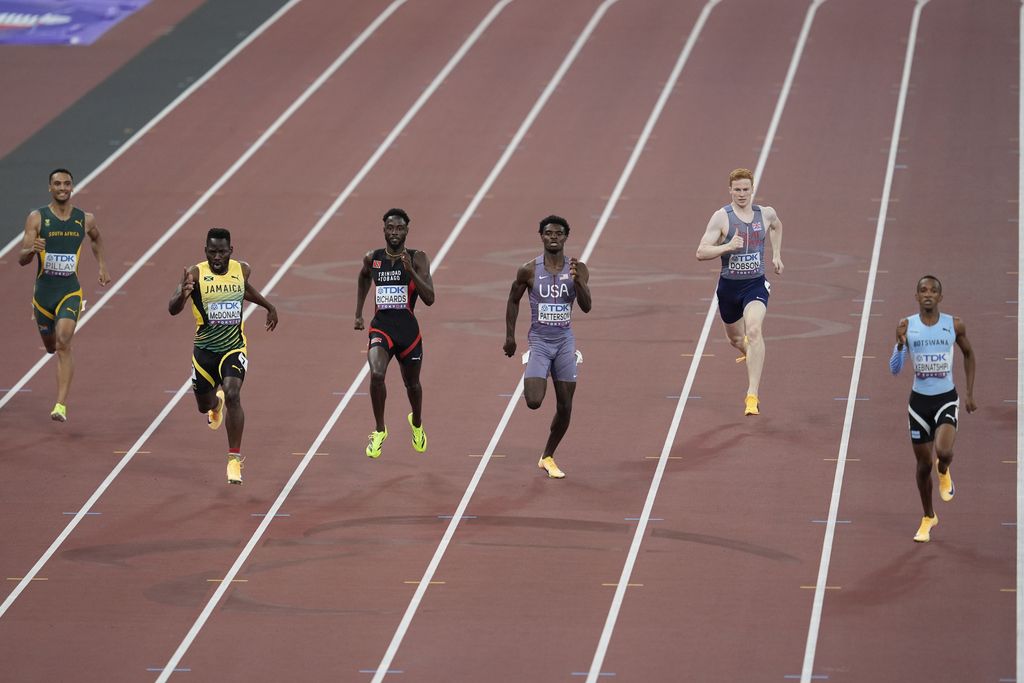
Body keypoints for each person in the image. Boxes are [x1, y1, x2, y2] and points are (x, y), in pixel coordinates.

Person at [168, 228, 278, 485]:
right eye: (212, 251)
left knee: (233, 393)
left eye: (222, 252)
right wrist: (182, 296)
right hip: (204, 352)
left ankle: (233, 460)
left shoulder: (242, 269)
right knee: (203, 405)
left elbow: (244, 290)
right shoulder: (195, 274)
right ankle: (214, 407)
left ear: (231, 251)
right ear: (205, 251)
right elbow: (172, 309)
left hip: (233, 347)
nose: (217, 257)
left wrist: (268, 306)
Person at [18, 168, 111, 422]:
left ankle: (60, 405)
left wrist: (102, 264)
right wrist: (30, 250)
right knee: (50, 346)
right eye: (57, 184)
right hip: (43, 296)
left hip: (70, 291)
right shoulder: (37, 218)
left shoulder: (85, 219)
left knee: (63, 342)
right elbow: (21, 259)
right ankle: (48, 334)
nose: (62, 188)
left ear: (72, 187)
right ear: (50, 187)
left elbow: (96, 238)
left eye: (66, 184)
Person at [889, 275, 976, 542]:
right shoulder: (907, 326)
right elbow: (894, 369)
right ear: (916, 297)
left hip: (946, 398)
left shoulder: (954, 325)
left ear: (940, 297)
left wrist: (970, 393)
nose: (928, 294)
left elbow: (969, 354)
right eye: (923, 290)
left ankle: (944, 469)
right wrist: (900, 344)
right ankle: (928, 516)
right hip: (918, 404)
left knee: (944, 451)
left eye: (933, 291)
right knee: (923, 464)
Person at [504, 215, 592, 479]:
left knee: (565, 406)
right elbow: (512, 300)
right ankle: (535, 364)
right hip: (540, 343)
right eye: (549, 233)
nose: (553, 237)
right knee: (533, 401)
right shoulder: (528, 270)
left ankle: (547, 456)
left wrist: (578, 282)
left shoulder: (578, 268)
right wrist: (510, 337)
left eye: (559, 233)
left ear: (566, 237)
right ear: (541, 236)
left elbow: (587, 307)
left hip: (565, 343)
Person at [696, 167, 783, 416]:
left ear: (753, 189)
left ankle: (751, 395)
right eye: (737, 190)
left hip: (755, 285)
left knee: (754, 330)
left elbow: (777, 226)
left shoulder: (765, 214)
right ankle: (749, 352)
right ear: (730, 191)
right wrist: (727, 247)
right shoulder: (721, 218)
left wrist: (776, 254)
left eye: (746, 189)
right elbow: (701, 252)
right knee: (736, 340)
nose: (742, 194)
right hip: (729, 288)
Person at [355, 208, 435, 459]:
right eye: (390, 228)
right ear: (384, 230)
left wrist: (410, 270)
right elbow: (363, 278)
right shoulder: (373, 258)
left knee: (412, 385)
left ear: (407, 231)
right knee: (377, 373)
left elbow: (430, 298)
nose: (395, 233)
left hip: (409, 334)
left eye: (399, 228)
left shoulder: (417, 257)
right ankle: (380, 430)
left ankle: (418, 423)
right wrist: (358, 313)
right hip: (381, 328)